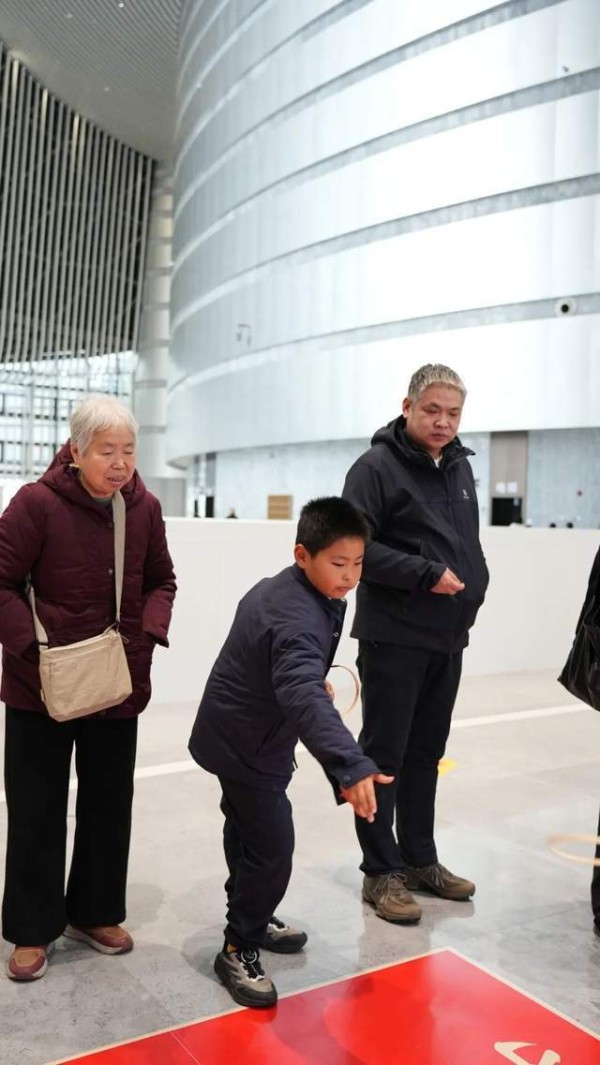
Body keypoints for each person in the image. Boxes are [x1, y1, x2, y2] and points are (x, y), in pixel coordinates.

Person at [188, 497, 392, 1009]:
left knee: (247, 834)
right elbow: (299, 686)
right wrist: (349, 763)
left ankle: (251, 916)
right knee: (272, 848)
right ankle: (238, 947)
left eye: (358, 563)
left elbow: (289, 670)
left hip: (245, 733)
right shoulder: (295, 612)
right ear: (302, 554)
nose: (350, 576)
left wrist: (305, 678)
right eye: (338, 563)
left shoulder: (299, 590)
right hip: (246, 744)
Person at [0, 394, 176, 981]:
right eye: (106, 451)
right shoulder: (36, 504)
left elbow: (162, 580)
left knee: (108, 803)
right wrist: (31, 649)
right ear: (76, 451)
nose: (120, 462)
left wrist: (147, 633)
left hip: (117, 681)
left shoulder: (144, 508)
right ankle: (32, 929)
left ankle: (94, 913)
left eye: (128, 450)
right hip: (40, 686)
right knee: (37, 808)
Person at [342, 363, 489, 924]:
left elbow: (465, 543)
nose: (443, 422)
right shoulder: (375, 468)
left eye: (453, 413)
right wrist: (425, 573)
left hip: (447, 636)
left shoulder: (459, 467)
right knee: (384, 758)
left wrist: (476, 584)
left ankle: (420, 859)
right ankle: (381, 872)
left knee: (427, 754)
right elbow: (355, 550)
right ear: (407, 407)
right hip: (394, 636)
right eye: (432, 411)